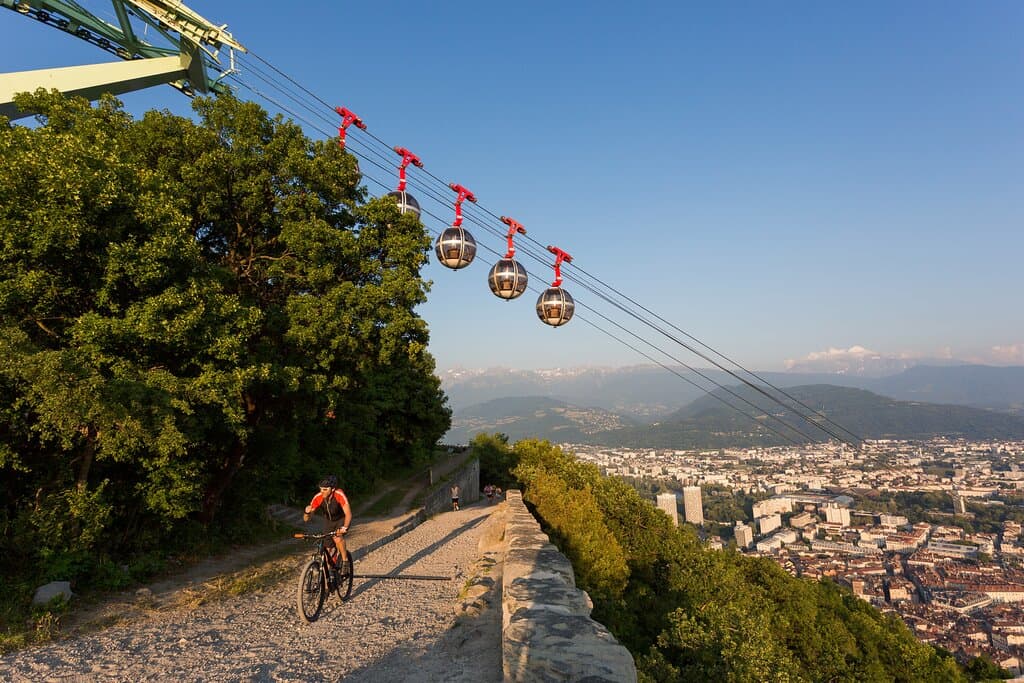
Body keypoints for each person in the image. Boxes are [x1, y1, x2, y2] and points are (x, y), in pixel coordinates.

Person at [304, 475, 353, 570]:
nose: (322, 492)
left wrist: (345, 527)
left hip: (341, 519)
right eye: (321, 489)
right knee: (327, 548)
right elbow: (307, 519)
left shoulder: (339, 494)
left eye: (325, 489)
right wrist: (306, 512)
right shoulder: (318, 497)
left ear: (333, 489)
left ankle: (345, 561)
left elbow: (348, 514)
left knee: (337, 537)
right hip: (329, 521)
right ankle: (330, 572)